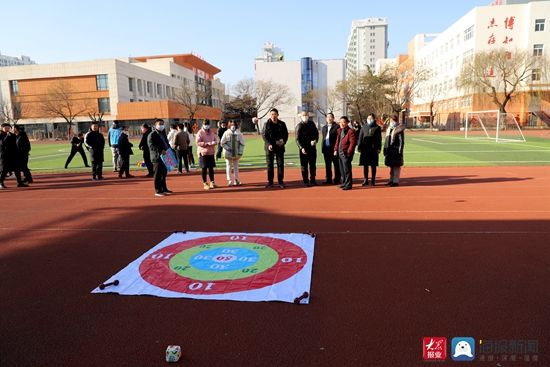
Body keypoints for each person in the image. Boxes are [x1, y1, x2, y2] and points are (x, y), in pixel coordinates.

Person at [262, 108, 288, 188]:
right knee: (270, 165)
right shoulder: (266, 124)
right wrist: (269, 144)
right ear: (270, 115)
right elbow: (264, 135)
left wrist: (283, 141)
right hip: (270, 147)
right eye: (272, 114)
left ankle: (280, 181)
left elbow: (286, 134)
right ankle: (270, 182)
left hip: (280, 147)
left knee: (280, 164)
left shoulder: (282, 124)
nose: (273, 116)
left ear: (277, 115)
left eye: (275, 114)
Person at [148, 118, 172, 196]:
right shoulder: (152, 134)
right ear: (155, 125)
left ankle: (164, 188)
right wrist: (160, 150)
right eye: (159, 124)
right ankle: (158, 190)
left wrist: (169, 149)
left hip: (165, 156)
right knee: (157, 174)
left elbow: (166, 143)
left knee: (163, 174)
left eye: (162, 124)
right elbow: (151, 146)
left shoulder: (163, 133)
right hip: (157, 157)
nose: (161, 125)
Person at [358, 113, 382, 186]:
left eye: (371, 118)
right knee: (365, 165)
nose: (369, 119)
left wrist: (379, 148)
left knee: (373, 165)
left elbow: (379, 139)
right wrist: (359, 147)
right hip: (365, 149)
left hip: (373, 149)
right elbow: (360, 138)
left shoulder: (377, 128)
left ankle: (373, 180)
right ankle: (365, 179)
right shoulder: (363, 127)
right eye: (368, 118)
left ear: (374, 119)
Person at [296, 111, 319, 186]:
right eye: (303, 115)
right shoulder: (299, 126)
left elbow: (316, 133)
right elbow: (297, 139)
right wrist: (301, 147)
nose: (305, 116)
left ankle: (313, 179)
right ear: (301, 116)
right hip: (304, 149)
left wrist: (315, 140)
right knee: (304, 166)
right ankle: (305, 181)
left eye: (306, 115)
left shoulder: (312, 124)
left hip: (312, 148)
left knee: (313, 165)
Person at [334, 116, 357, 191]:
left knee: (347, 170)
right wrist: (335, 150)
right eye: (340, 122)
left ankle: (348, 184)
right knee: (342, 169)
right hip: (340, 153)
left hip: (346, 154)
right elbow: (338, 141)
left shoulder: (351, 131)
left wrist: (348, 152)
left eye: (343, 122)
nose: (342, 124)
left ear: (347, 123)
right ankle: (344, 182)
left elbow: (352, 143)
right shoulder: (339, 130)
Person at [0, 123, 27, 188]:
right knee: (4, 170)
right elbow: (2, 144)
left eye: (8, 128)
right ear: (2, 128)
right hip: (4, 156)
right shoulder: (0, 135)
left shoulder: (12, 135)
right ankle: (1, 182)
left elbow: (16, 145)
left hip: (13, 156)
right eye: (5, 128)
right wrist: (7, 136)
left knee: (17, 169)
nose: (7, 129)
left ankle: (19, 183)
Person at [220, 121, 245, 186]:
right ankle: (229, 180)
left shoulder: (239, 134)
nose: (233, 126)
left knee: (236, 166)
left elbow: (242, 144)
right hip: (228, 153)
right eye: (231, 124)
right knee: (228, 166)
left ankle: (236, 180)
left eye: (234, 124)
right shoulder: (226, 133)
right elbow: (222, 143)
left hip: (236, 153)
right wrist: (227, 148)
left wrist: (240, 152)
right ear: (229, 125)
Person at [383, 114, 405, 187]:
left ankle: (395, 181)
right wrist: (385, 149)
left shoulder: (399, 129)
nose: (392, 121)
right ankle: (391, 180)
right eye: (391, 120)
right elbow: (386, 139)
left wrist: (400, 151)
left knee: (396, 167)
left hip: (396, 150)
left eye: (393, 120)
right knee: (391, 167)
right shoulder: (389, 128)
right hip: (389, 149)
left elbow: (401, 141)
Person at [196, 120, 218, 190]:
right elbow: (198, 142)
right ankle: (205, 183)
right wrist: (206, 144)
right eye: (205, 124)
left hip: (211, 152)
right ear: (202, 124)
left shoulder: (211, 132)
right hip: (203, 152)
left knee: (211, 168)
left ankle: (212, 182)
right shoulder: (200, 132)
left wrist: (214, 142)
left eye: (207, 124)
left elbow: (215, 139)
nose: (206, 125)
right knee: (204, 168)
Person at [321, 113, 341, 185]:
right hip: (326, 149)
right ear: (326, 119)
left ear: (333, 118)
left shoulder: (337, 127)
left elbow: (338, 139)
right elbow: (324, 138)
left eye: (331, 117)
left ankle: (337, 179)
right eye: (328, 117)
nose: (329, 118)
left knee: (336, 165)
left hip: (334, 149)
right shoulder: (324, 128)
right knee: (327, 165)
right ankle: (328, 179)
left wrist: (336, 149)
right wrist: (323, 148)